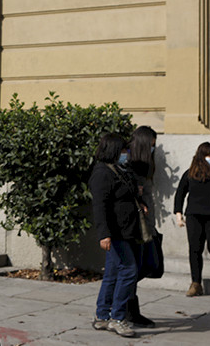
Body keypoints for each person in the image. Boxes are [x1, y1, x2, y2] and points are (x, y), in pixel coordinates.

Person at [89, 133, 144, 338]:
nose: (126, 154)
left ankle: (102, 316)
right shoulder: (102, 173)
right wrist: (104, 234)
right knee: (129, 270)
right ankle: (117, 318)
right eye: (122, 150)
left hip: (127, 230)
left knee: (112, 274)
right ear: (113, 150)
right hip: (115, 233)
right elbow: (99, 207)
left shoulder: (120, 169)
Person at [173, 142, 210, 296]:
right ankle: (196, 283)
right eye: (209, 155)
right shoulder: (190, 173)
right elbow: (180, 193)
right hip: (194, 215)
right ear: (201, 156)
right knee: (195, 249)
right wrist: (178, 214)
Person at [124, 125, 157, 327]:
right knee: (132, 270)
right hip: (134, 225)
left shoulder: (143, 166)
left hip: (144, 224)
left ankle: (128, 309)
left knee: (142, 267)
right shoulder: (130, 165)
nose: (154, 149)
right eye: (152, 145)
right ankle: (127, 310)